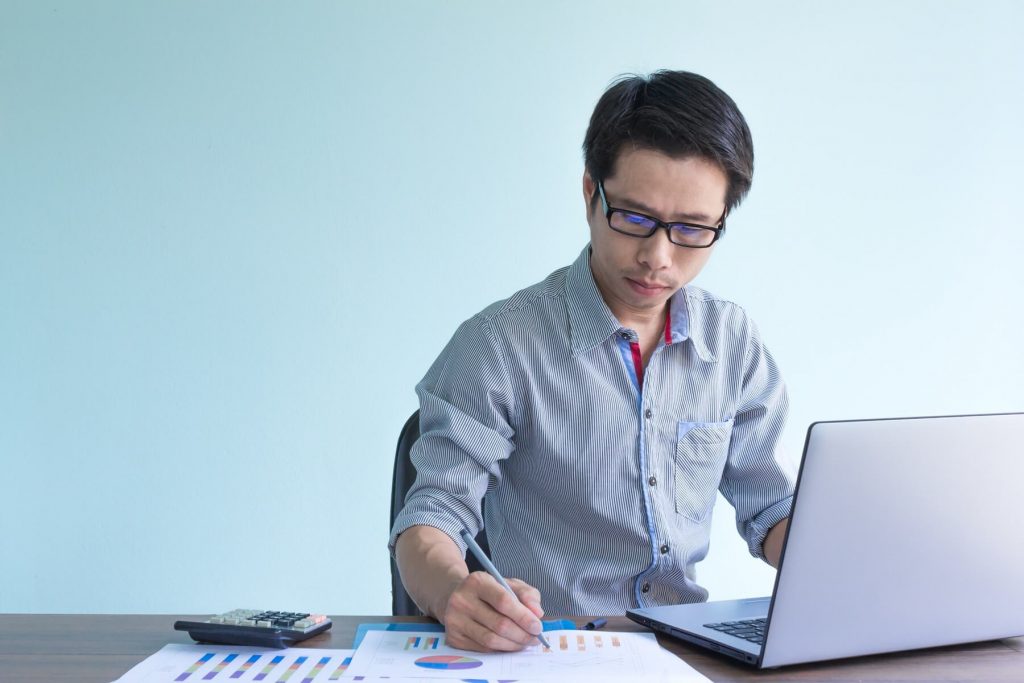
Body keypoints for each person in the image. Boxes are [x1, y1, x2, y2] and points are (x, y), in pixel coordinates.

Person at [389, 70, 796, 653]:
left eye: (691, 229)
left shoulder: (730, 341)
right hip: (549, 653)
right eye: (633, 217)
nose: (658, 257)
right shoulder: (500, 344)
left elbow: (771, 506)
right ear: (590, 192)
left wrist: (847, 567)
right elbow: (427, 520)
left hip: (685, 652)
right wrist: (454, 589)